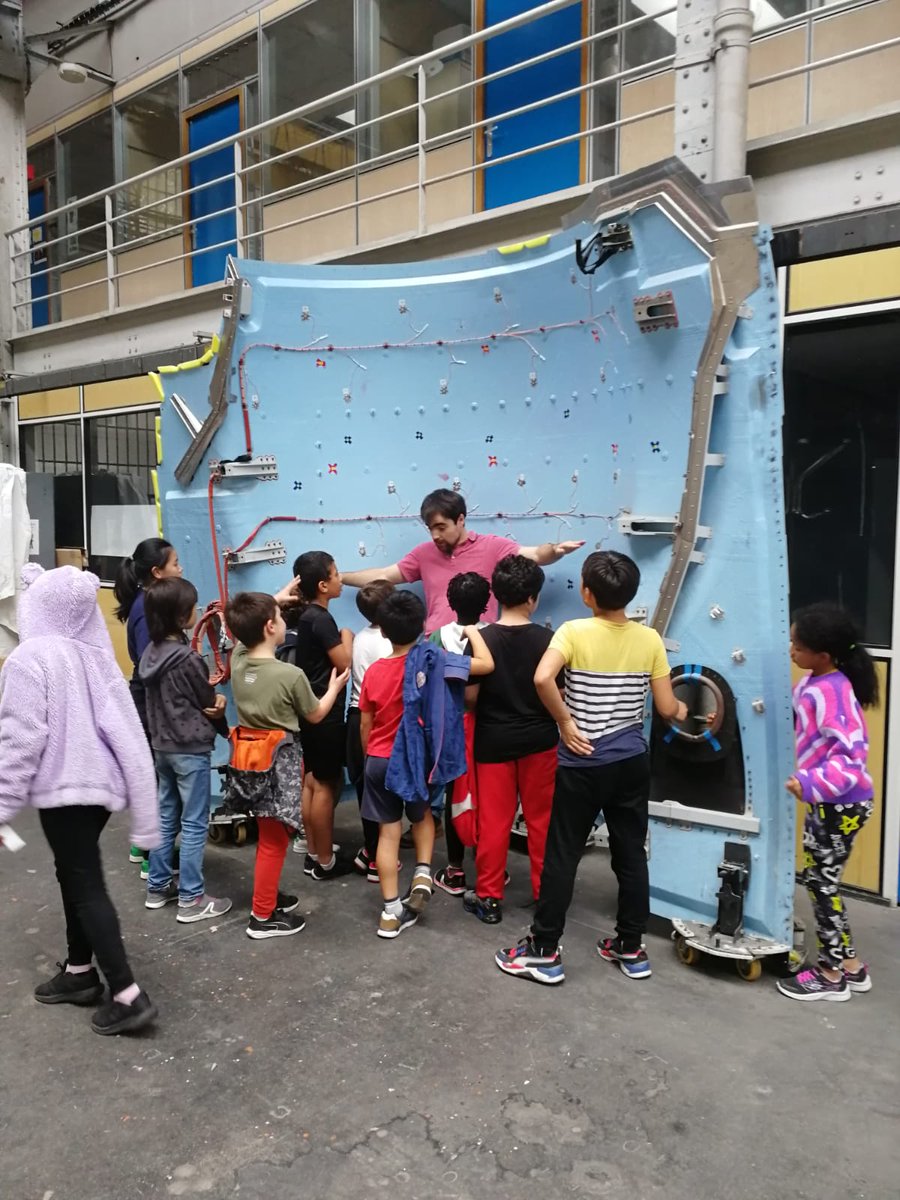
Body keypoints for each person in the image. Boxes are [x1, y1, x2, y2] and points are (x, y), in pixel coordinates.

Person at [495, 550, 687, 986]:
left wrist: (564, 721)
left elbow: (543, 678)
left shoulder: (573, 632)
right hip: (630, 762)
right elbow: (665, 706)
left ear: (586, 593)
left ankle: (543, 951)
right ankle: (631, 947)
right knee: (630, 855)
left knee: (563, 854)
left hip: (581, 762)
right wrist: (684, 709)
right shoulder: (649, 639)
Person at [0, 565, 159, 1035]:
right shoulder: (96, 658)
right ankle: (78, 972)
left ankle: (128, 995)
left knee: (84, 881)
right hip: (99, 794)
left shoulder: (30, 658)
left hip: (63, 791)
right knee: (74, 872)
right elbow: (130, 734)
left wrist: (3, 804)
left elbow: (20, 739)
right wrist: (145, 814)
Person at [359, 590, 493, 938]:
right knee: (422, 817)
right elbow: (486, 665)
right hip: (417, 760)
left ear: (383, 632)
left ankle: (390, 914)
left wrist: (369, 756)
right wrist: (472, 631)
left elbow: (365, 724)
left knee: (387, 834)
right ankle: (422, 872)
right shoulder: (438, 660)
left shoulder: (374, 672)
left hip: (380, 761)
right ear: (422, 627)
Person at [225, 591, 349, 939]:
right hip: (279, 761)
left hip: (248, 760)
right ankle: (262, 917)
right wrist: (335, 686)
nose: (283, 621)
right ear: (270, 626)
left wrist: (273, 598)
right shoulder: (289, 674)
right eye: (279, 616)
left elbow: (240, 635)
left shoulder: (239, 661)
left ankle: (267, 897)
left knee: (269, 834)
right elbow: (316, 713)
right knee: (274, 841)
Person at [776, 603, 877, 1003]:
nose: (791, 651)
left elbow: (852, 759)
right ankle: (851, 965)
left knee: (821, 884)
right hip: (832, 804)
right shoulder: (815, 683)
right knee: (824, 881)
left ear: (823, 655)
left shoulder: (833, 692)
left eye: (798, 647)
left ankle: (831, 974)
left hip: (842, 804)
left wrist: (810, 781)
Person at [463, 556, 559, 924]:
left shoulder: (481, 640)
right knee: (542, 821)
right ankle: (544, 893)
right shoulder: (549, 640)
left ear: (496, 597)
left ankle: (488, 897)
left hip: (493, 743)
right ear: (533, 599)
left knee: (494, 822)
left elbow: (470, 698)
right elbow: (558, 693)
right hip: (540, 741)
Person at [342, 489, 585, 634]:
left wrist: (556, 550)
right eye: (430, 529)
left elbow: (534, 556)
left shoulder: (491, 546)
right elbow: (384, 575)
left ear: (460, 520)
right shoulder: (423, 554)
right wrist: (341, 578)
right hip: (436, 647)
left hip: (481, 644)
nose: (435, 535)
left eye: (441, 527)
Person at [139, 577, 232, 923]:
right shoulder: (187, 660)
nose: (197, 610)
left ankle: (158, 886)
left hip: (161, 746)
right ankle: (192, 898)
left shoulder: (150, 654)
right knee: (194, 822)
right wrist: (223, 719)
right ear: (181, 617)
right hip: (190, 749)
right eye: (192, 607)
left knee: (166, 817)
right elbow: (208, 702)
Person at [278, 551, 353, 880]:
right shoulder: (321, 620)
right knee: (325, 785)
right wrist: (348, 636)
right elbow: (343, 663)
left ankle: (313, 850)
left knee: (312, 781)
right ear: (323, 585)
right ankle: (325, 861)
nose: (340, 579)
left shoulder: (306, 616)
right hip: (327, 712)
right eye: (336, 574)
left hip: (310, 710)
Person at [113, 536, 182, 872]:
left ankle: (143, 849)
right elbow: (148, 664)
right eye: (175, 565)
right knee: (163, 784)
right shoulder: (146, 609)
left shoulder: (149, 602)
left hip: (150, 700)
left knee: (156, 779)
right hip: (151, 703)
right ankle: (155, 862)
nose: (180, 570)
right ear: (157, 572)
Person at [429, 571, 490, 893]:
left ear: (450, 603)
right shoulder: (492, 636)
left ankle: (454, 869)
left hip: (450, 728)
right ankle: (487, 866)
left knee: (455, 795)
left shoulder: (435, 638)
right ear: (487, 603)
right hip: (489, 728)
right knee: (488, 796)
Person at [346, 579, 395, 881]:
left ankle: (369, 849)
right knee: (382, 792)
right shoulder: (389, 644)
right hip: (378, 720)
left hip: (355, 717)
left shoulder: (361, 638)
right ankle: (379, 859)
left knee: (366, 789)